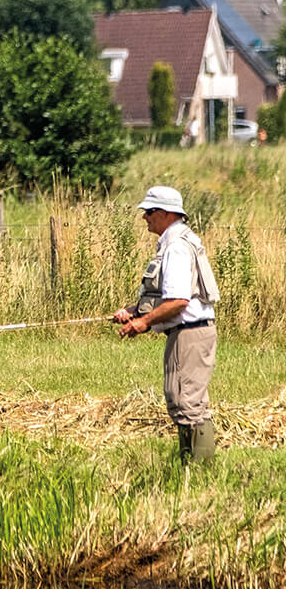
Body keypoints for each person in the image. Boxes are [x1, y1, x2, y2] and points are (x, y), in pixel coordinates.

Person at [113, 186, 219, 463]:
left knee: (188, 403)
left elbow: (178, 302)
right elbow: (168, 297)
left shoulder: (176, 248)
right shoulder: (175, 243)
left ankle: (198, 472)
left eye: (149, 212)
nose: (145, 217)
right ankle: (190, 465)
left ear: (167, 213)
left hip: (190, 333)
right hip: (186, 332)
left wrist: (143, 323)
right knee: (180, 398)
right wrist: (133, 311)